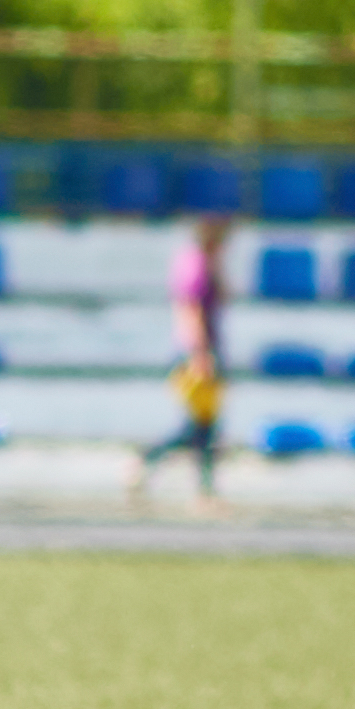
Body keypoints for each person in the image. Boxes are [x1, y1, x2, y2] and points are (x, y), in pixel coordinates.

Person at [133, 209, 233, 504]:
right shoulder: (196, 264)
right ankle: (201, 487)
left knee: (201, 427)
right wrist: (200, 354)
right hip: (197, 352)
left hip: (203, 350)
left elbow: (226, 297)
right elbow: (191, 311)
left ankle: (155, 464)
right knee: (200, 427)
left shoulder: (206, 262)